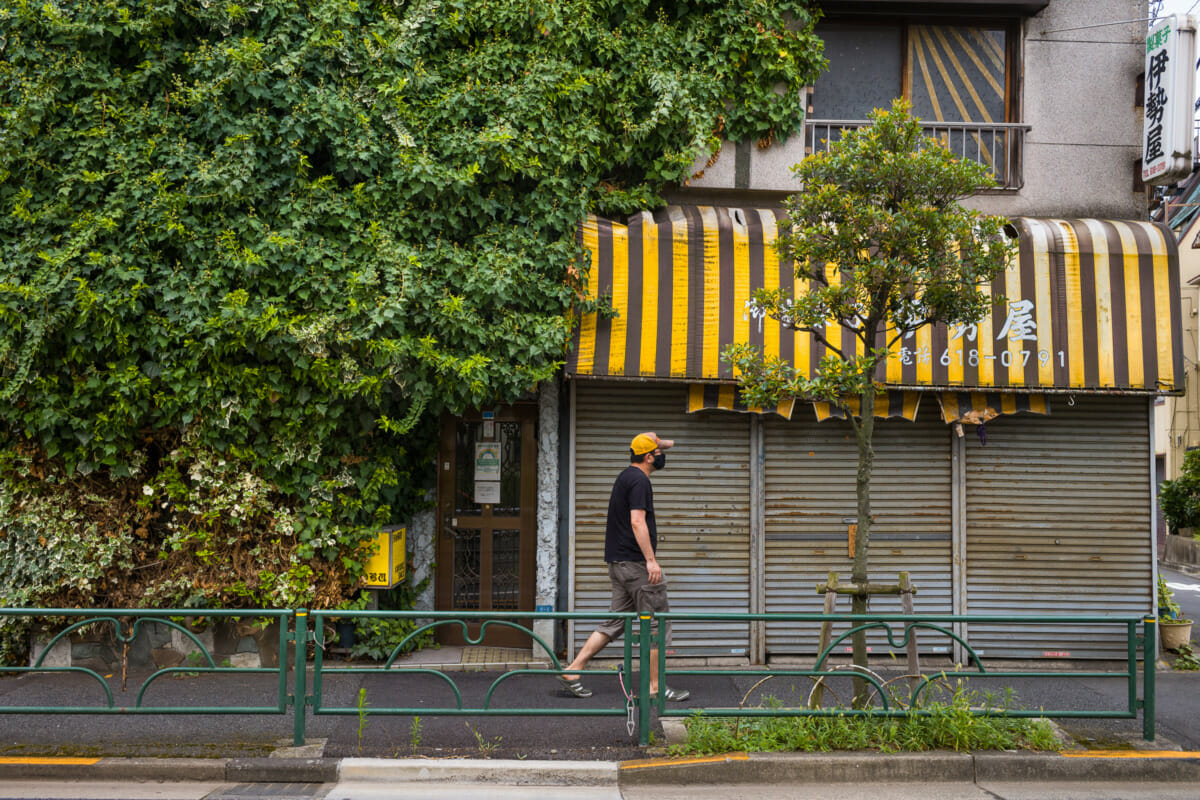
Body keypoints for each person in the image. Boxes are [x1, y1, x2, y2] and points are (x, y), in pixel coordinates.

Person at [558, 432, 690, 701]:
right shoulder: (640, 481)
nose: (663, 456)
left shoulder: (625, 476)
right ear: (648, 457)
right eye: (659, 453)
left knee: (616, 621)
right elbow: (637, 522)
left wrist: (661, 443)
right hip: (637, 566)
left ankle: (573, 669)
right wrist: (651, 560)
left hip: (619, 564)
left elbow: (659, 443)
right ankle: (655, 687)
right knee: (656, 625)